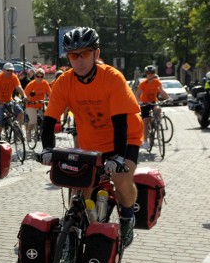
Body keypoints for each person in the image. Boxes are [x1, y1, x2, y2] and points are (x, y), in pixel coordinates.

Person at [39, 27, 143, 248]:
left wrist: (117, 158)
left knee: (122, 180)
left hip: (126, 137)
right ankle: (75, 238)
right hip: (91, 141)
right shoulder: (64, 82)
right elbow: (49, 120)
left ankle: (126, 216)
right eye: (73, 55)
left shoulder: (112, 78)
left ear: (96, 53)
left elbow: (120, 123)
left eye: (84, 53)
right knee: (80, 191)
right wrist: (48, 149)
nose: (79, 60)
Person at [135, 65, 170, 149]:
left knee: (157, 109)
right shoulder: (143, 83)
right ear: (146, 74)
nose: (150, 75)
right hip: (145, 103)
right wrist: (139, 102)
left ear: (154, 74)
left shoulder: (157, 82)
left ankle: (157, 123)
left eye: (152, 73)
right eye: (148, 73)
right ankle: (145, 141)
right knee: (145, 122)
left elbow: (161, 91)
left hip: (154, 101)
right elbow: (137, 95)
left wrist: (168, 98)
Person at [0, 62, 26, 140]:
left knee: (20, 113)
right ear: (3, 70)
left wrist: (24, 96)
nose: (10, 72)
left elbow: (18, 87)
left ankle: (17, 131)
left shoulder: (14, 77)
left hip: (9, 100)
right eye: (8, 70)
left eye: (11, 71)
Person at [23, 69, 51, 142]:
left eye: (41, 77)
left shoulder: (45, 83)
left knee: (48, 116)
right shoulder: (31, 85)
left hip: (41, 104)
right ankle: (28, 133)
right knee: (33, 120)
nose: (39, 78)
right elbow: (24, 96)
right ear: (35, 77)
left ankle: (44, 131)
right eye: (38, 76)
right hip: (31, 105)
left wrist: (52, 100)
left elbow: (50, 94)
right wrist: (28, 99)